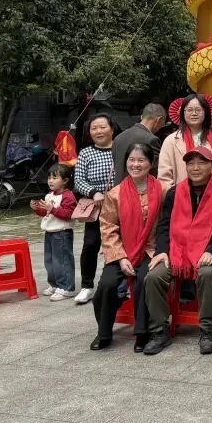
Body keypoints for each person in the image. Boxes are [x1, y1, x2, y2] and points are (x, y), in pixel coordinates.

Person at [143, 144, 212, 356]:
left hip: (209, 252)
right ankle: (159, 331)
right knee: (154, 276)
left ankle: (207, 330)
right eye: (190, 163)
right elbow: (164, 226)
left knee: (207, 273)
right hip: (177, 251)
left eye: (201, 162)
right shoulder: (175, 193)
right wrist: (162, 251)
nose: (195, 167)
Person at [89, 143, 166, 351]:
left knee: (144, 279)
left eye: (141, 160)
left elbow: (167, 225)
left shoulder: (163, 190)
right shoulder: (115, 194)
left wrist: (161, 251)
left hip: (151, 250)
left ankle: (143, 332)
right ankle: (104, 332)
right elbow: (108, 228)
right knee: (107, 284)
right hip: (122, 251)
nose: (136, 164)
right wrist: (121, 258)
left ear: (150, 163)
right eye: (132, 160)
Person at [73, 114, 118, 305]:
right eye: (94, 128)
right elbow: (78, 180)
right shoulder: (85, 153)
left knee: (120, 243)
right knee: (91, 244)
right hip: (96, 205)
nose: (98, 131)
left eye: (102, 127)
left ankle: (120, 284)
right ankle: (87, 285)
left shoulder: (120, 148)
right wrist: (94, 192)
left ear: (112, 129)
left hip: (119, 204)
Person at [31, 163, 77, 301]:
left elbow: (68, 214)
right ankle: (54, 284)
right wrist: (37, 209)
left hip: (62, 233)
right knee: (49, 260)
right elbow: (45, 213)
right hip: (49, 232)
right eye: (49, 178)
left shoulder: (68, 196)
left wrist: (52, 209)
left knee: (62, 261)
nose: (50, 181)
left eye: (55, 178)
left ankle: (66, 287)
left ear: (65, 180)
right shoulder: (49, 195)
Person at [159, 94, 212, 189]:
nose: (194, 113)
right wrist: (176, 195)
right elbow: (164, 178)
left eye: (198, 110)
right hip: (181, 194)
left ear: (206, 112)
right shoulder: (171, 140)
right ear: (182, 113)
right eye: (189, 110)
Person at [112, 103, 166, 184]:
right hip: (139, 189)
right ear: (159, 119)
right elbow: (155, 171)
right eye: (163, 123)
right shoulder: (151, 140)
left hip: (118, 188)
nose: (161, 127)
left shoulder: (118, 138)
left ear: (141, 117)